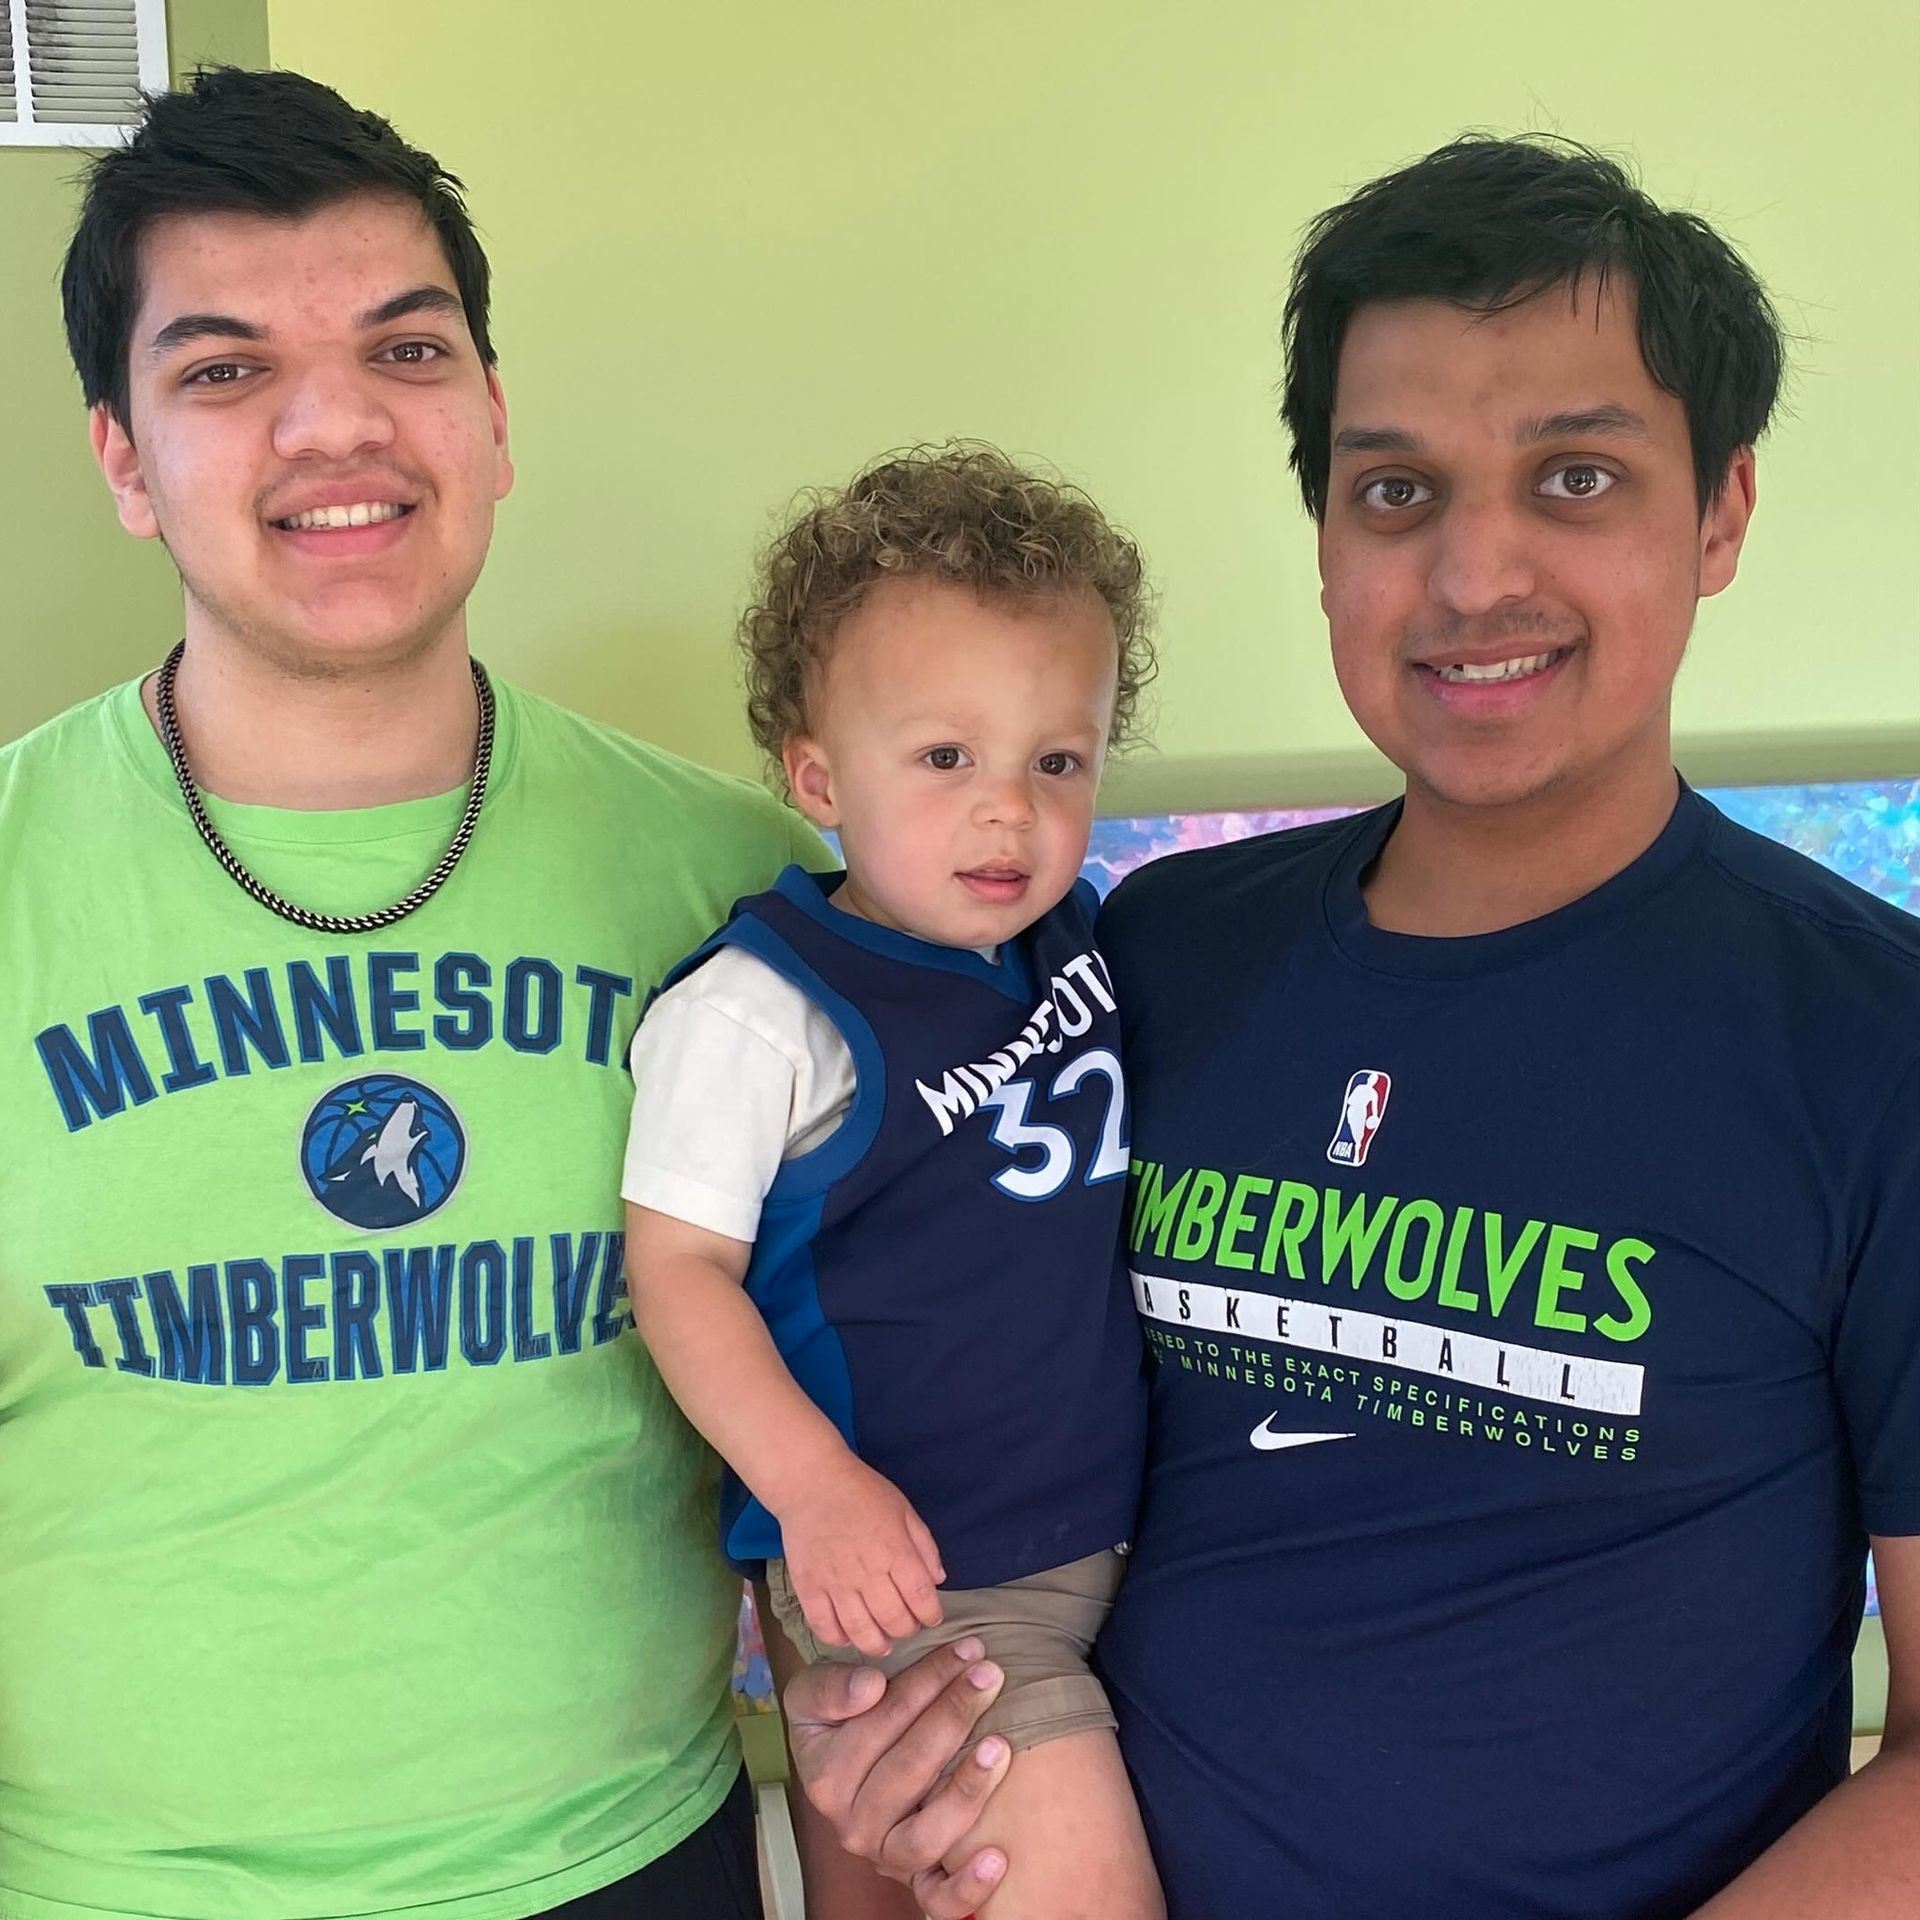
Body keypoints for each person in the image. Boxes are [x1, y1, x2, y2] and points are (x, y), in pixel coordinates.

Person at [781, 137, 1920, 1920]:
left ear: (1719, 516)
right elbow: (923, 1396)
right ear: (1323, 537)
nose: (1475, 577)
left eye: (1577, 477)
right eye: (1396, 494)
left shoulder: (1876, 1047)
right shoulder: (1147, 955)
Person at [0, 68, 825, 1920]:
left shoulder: (750, 892)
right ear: (123, 461)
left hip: (635, 1867)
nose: (336, 426)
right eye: (221, 372)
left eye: (408, 350)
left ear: (496, 415)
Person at [622, 444, 1163, 1919]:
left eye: (1059, 760)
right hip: (928, 1575)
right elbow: (675, 1274)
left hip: (1119, 1540)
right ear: (817, 776)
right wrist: (813, 1492)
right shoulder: (755, 1011)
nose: (1011, 812)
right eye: (945, 758)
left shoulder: (1082, 947)